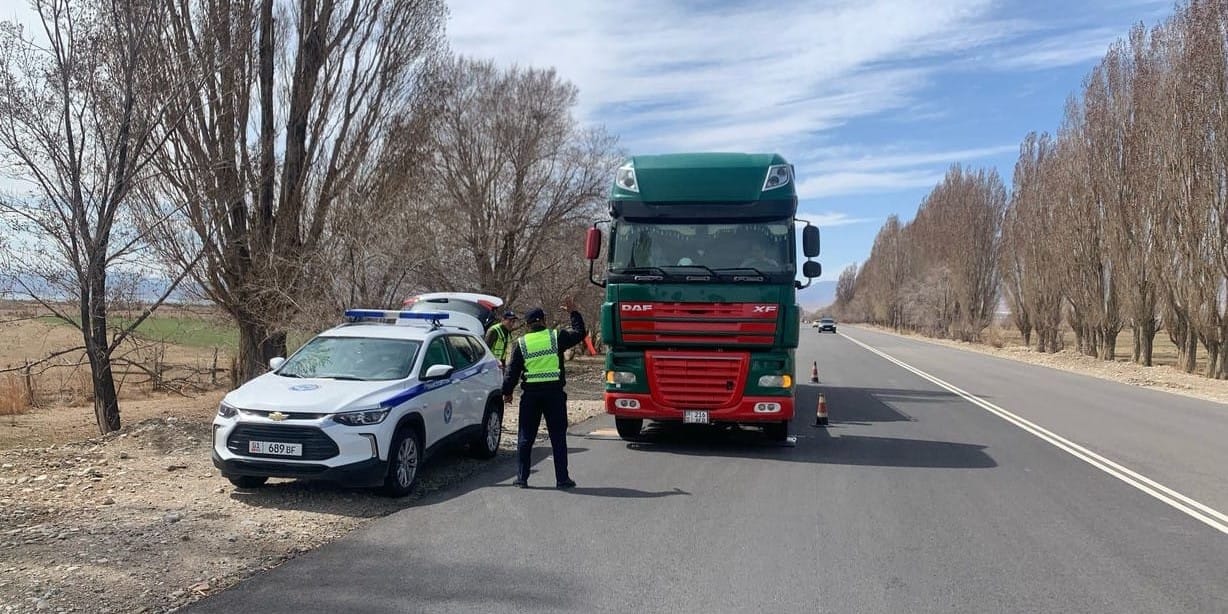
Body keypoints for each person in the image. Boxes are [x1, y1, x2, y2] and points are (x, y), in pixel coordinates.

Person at [502, 297, 587, 489]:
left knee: (525, 437)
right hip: (554, 395)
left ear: (528, 325)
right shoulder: (555, 337)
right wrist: (573, 312)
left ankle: (522, 479)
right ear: (543, 321)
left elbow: (512, 372)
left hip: (531, 397)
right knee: (557, 437)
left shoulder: (521, 343)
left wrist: (507, 392)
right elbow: (580, 333)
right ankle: (562, 479)